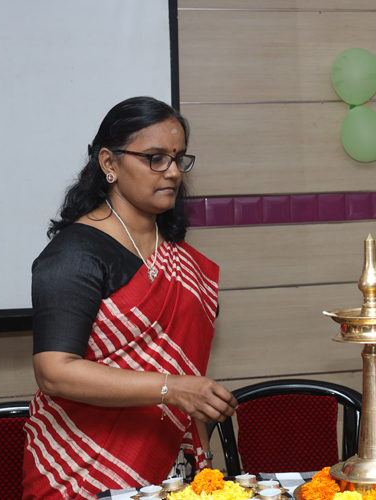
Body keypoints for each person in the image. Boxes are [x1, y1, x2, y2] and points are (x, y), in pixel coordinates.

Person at [22, 96, 238, 500]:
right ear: (109, 162)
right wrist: (172, 388)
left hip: (175, 465)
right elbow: (54, 372)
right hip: (85, 469)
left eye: (178, 158)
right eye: (155, 158)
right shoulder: (74, 255)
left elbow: (187, 368)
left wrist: (203, 458)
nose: (172, 171)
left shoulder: (179, 257)